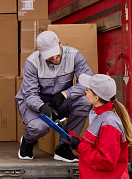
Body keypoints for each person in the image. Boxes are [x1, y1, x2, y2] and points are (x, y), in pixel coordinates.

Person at [15, 31, 93, 162]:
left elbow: (88, 83)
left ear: (60, 43)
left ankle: (64, 147)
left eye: (56, 55)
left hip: (62, 101)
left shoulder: (74, 55)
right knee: (39, 127)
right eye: (50, 57)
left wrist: (64, 95)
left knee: (85, 102)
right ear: (40, 51)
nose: (55, 59)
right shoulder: (32, 63)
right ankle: (27, 141)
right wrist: (41, 107)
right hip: (36, 104)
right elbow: (29, 94)